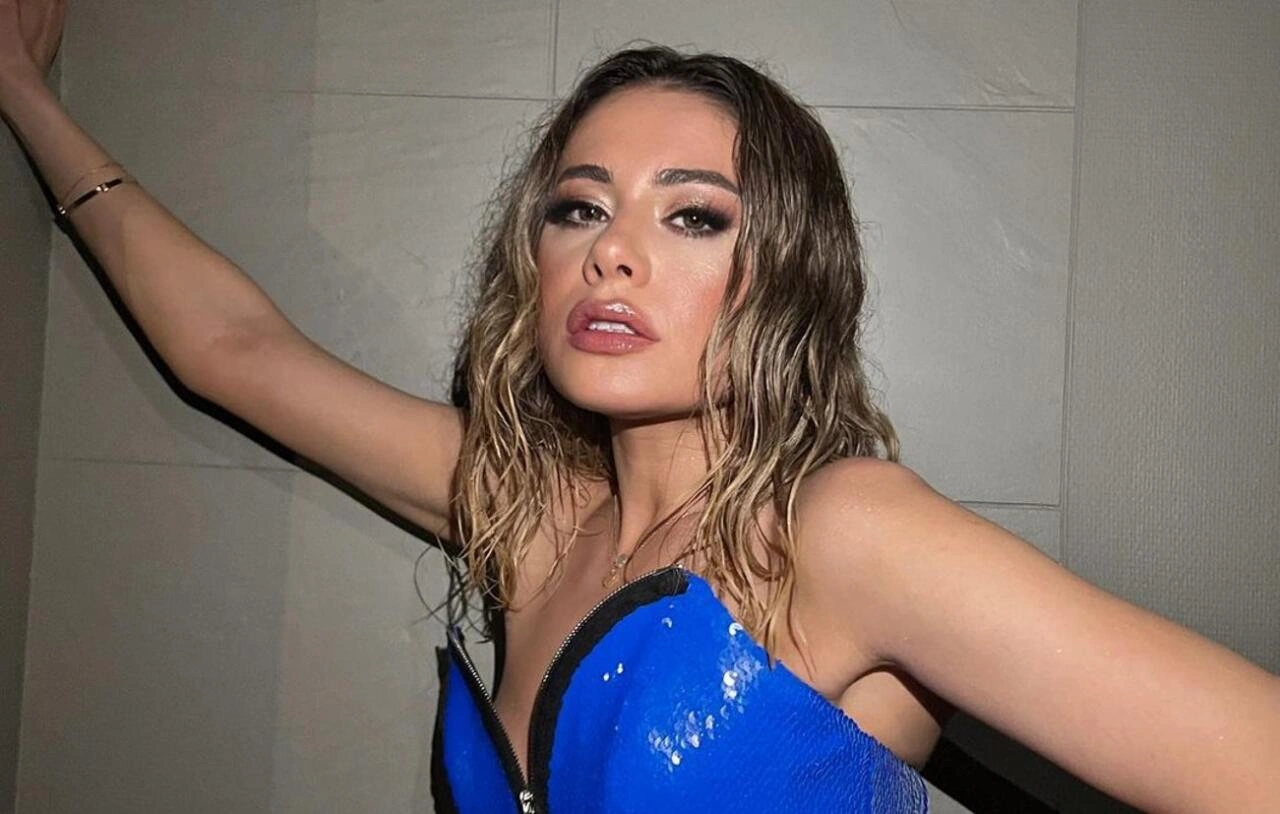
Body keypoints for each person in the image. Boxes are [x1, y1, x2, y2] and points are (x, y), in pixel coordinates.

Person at [3, 2, 1278, 812]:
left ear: (784, 269)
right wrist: (27, 97)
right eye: (579, 206)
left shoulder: (838, 537)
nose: (610, 251)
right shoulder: (525, 515)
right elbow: (232, 350)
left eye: (691, 215)